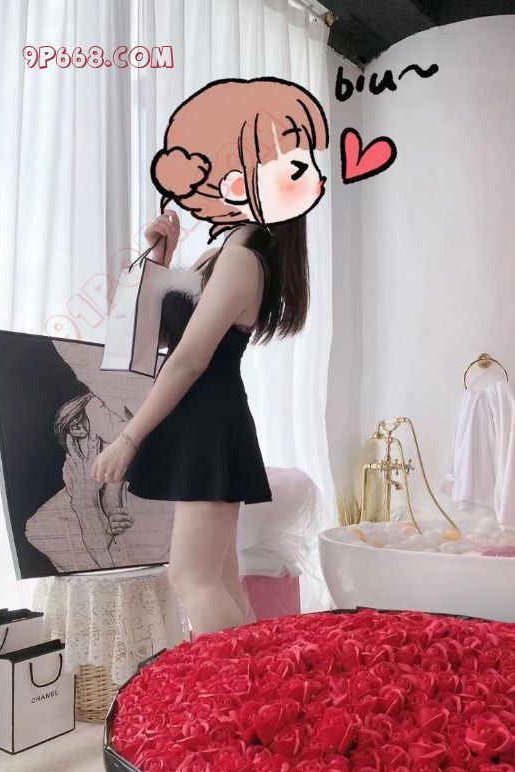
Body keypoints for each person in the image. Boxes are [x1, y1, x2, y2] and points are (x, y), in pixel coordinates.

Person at [90, 77, 329, 637]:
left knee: (193, 577)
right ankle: (250, 685)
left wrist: (130, 438)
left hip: (208, 420)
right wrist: (162, 257)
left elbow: (188, 359)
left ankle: (232, 687)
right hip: (203, 419)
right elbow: (149, 335)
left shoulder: (242, 258)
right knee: (218, 580)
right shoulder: (228, 252)